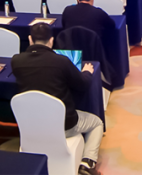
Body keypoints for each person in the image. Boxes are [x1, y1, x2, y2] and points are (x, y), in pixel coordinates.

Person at [11, 23, 102, 175]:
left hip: (31, 125)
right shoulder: (61, 61)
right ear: (51, 41)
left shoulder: (16, 61)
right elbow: (83, 84)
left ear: (30, 39)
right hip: (64, 125)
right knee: (97, 123)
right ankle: (87, 162)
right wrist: (87, 72)